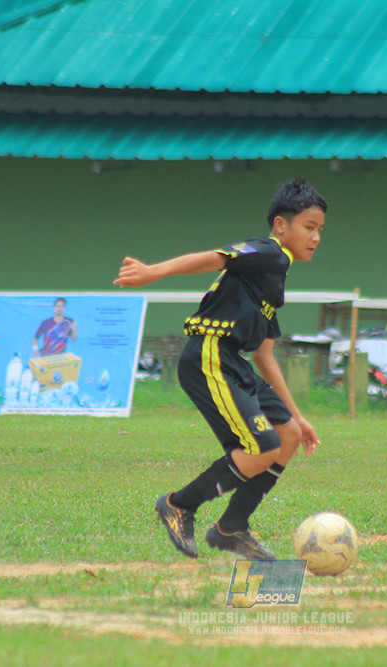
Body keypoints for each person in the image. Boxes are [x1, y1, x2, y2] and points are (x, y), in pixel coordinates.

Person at [114, 177, 326, 559]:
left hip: (235, 363)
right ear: (281, 225)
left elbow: (263, 354)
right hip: (210, 355)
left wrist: (298, 415)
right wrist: (153, 273)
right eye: (309, 227)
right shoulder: (269, 251)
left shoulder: (275, 279)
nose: (315, 237)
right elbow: (214, 257)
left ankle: (231, 528)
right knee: (262, 447)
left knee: (289, 435)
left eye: (320, 230)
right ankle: (179, 504)